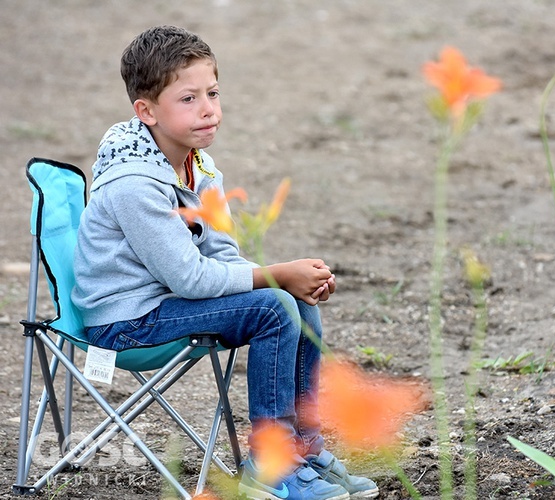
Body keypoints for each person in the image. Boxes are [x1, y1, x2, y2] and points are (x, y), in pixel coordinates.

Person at [72, 25, 378, 500]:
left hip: (167, 304)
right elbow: (191, 278)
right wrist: (278, 274)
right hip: (125, 323)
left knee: (295, 303)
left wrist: (288, 281)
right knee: (274, 306)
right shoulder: (134, 184)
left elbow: (221, 257)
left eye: (212, 93)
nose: (208, 108)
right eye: (188, 98)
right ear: (146, 111)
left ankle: (302, 449)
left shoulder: (199, 167)